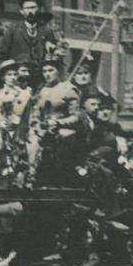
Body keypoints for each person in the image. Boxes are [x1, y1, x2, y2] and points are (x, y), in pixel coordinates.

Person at [26, 56, 82, 184]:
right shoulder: (42, 90)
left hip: (62, 128)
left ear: (59, 71)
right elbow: (36, 111)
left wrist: (58, 122)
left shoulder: (68, 89)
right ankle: (30, 173)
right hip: (43, 127)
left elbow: (76, 116)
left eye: (51, 70)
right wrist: (35, 122)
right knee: (31, 139)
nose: (47, 74)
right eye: (44, 71)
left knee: (59, 141)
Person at [0, 0, 62, 81]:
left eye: (33, 7)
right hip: (18, 82)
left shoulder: (46, 31)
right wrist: (9, 72)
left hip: (40, 81)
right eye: (27, 8)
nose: (30, 11)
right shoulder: (12, 31)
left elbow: (53, 59)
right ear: (21, 11)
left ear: (39, 9)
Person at [0, 59, 32, 125]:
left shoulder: (25, 92)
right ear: (3, 77)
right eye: (9, 75)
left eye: (15, 74)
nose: (13, 77)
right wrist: (1, 122)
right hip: (3, 126)